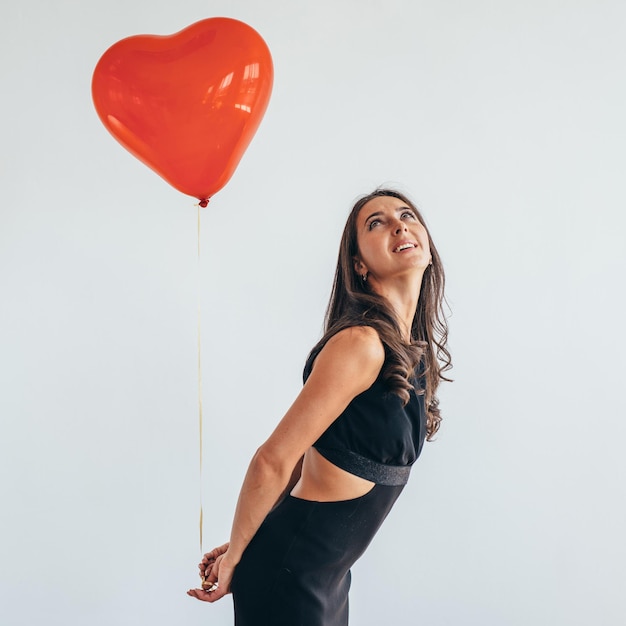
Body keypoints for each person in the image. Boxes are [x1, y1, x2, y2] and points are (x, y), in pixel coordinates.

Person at [187, 188, 452, 625]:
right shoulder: (361, 344)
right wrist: (237, 554)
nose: (399, 224)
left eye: (406, 214)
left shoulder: (409, 355)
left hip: (325, 579)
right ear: (358, 265)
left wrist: (245, 540)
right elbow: (273, 459)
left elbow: (312, 455)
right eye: (377, 222)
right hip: (290, 579)